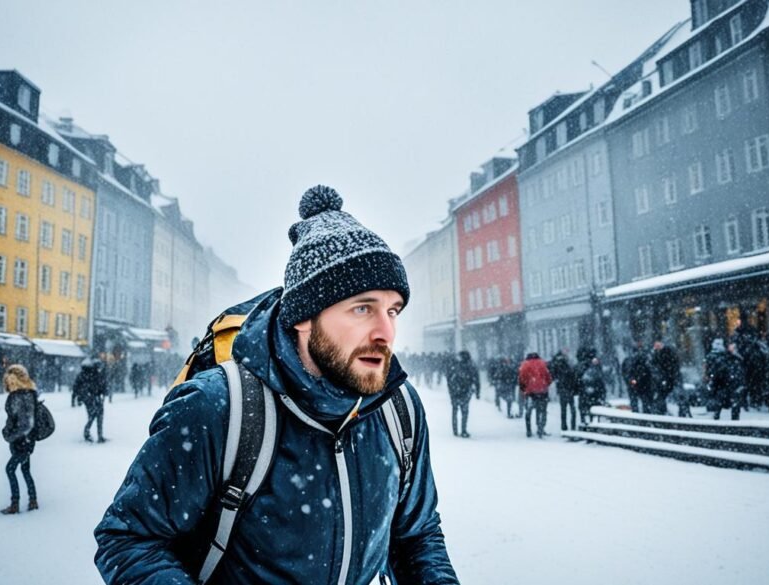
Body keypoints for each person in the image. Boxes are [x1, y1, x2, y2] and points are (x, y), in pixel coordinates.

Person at [94, 186, 458, 584]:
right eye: (362, 308)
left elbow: (416, 535)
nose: (386, 331)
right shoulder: (217, 407)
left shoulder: (397, 409)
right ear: (304, 317)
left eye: (392, 310)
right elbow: (128, 539)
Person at [0, 365, 39, 514]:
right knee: (25, 469)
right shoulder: (25, 394)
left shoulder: (23, 396)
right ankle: (33, 500)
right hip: (24, 441)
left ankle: (15, 504)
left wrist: (10, 435)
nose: (8, 384)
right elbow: (14, 419)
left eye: (10, 381)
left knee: (10, 469)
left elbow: (27, 424)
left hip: (23, 441)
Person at [446, 350, 479, 438]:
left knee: (455, 410)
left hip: (455, 392)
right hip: (465, 391)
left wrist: (450, 390)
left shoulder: (454, 365)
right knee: (464, 411)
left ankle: (455, 430)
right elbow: (476, 379)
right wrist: (477, 392)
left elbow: (449, 378)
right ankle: (463, 430)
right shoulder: (471, 366)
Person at [518, 353, 552, 438]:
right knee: (542, 409)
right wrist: (545, 384)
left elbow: (521, 377)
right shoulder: (543, 363)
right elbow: (548, 377)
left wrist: (523, 388)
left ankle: (528, 430)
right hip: (542, 390)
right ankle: (541, 427)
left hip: (530, 391)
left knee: (529, 410)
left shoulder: (525, 364)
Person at [76, 358, 109, 443]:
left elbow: (77, 386)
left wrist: (80, 398)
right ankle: (97, 435)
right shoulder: (95, 375)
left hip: (89, 398)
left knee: (93, 416)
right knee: (97, 416)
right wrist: (104, 392)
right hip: (95, 398)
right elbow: (101, 385)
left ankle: (90, 433)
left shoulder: (86, 374)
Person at [549, 349, 578, 431]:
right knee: (572, 409)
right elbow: (574, 376)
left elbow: (553, 375)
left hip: (562, 389)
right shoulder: (569, 366)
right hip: (569, 389)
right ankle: (572, 426)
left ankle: (564, 426)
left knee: (563, 409)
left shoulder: (557, 365)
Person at [621, 341, 654, 414]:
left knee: (643, 403)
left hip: (642, 385)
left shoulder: (644, 359)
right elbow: (625, 372)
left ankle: (642, 417)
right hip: (637, 384)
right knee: (638, 403)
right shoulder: (631, 360)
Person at [651, 340, 681, 415]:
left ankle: (661, 411)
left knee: (663, 395)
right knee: (664, 395)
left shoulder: (664, 353)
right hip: (667, 378)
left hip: (667, 378)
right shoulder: (660, 354)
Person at [578, 354, 608, 425]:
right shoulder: (588, 370)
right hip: (590, 393)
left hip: (594, 393)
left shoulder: (596, 370)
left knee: (591, 408)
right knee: (587, 408)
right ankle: (586, 422)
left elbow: (601, 383)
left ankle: (591, 423)